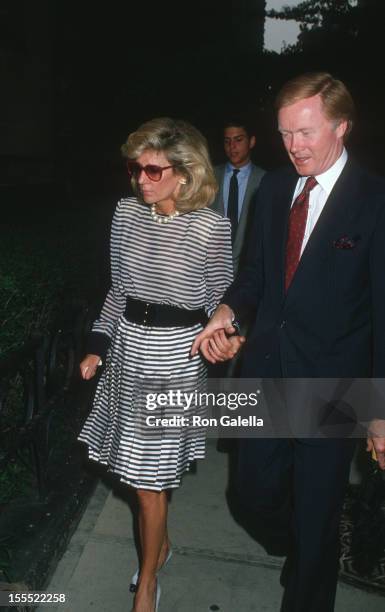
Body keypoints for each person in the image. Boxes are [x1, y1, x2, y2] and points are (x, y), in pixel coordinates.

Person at [192, 72, 385, 612]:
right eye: (284, 134)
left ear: (342, 127)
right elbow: (253, 275)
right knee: (248, 496)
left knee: (317, 520)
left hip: (337, 388)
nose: (294, 147)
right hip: (266, 376)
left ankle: (309, 563)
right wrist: (226, 313)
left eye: (306, 133)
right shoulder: (276, 188)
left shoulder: (374, 201)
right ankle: (301, 547)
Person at [78, 117, 234, 612]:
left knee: (149, 483)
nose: (140, 179)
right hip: (129, 350)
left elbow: (220, 302)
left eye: (152, 170)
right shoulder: (125, 215)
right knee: (136, 474)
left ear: (183, 174)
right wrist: (98, 345)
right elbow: (118, 290)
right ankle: (160, 546)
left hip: (178, 359)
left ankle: (147, 583)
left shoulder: (212, 226)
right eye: (135, 168)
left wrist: (226, 337)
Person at [211, 120, 265, 276]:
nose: (232, 146)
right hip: (210, 270)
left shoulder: (265, 180)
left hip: (248, 273)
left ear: (252, 142)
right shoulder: (209, 177)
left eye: (238, 140)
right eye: (227, 141)